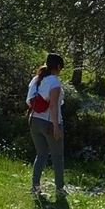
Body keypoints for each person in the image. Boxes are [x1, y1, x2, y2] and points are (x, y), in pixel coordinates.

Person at [26, 52, 66, 197]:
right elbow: (54, 105)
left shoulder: (37, 79)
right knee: (57, 156)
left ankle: (35, 187)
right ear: (58, 66)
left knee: (41, 154)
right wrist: (56, 126)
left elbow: (29, 101)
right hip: (49, 122)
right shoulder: (54, 82)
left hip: (34, 120)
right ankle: (60, 189)